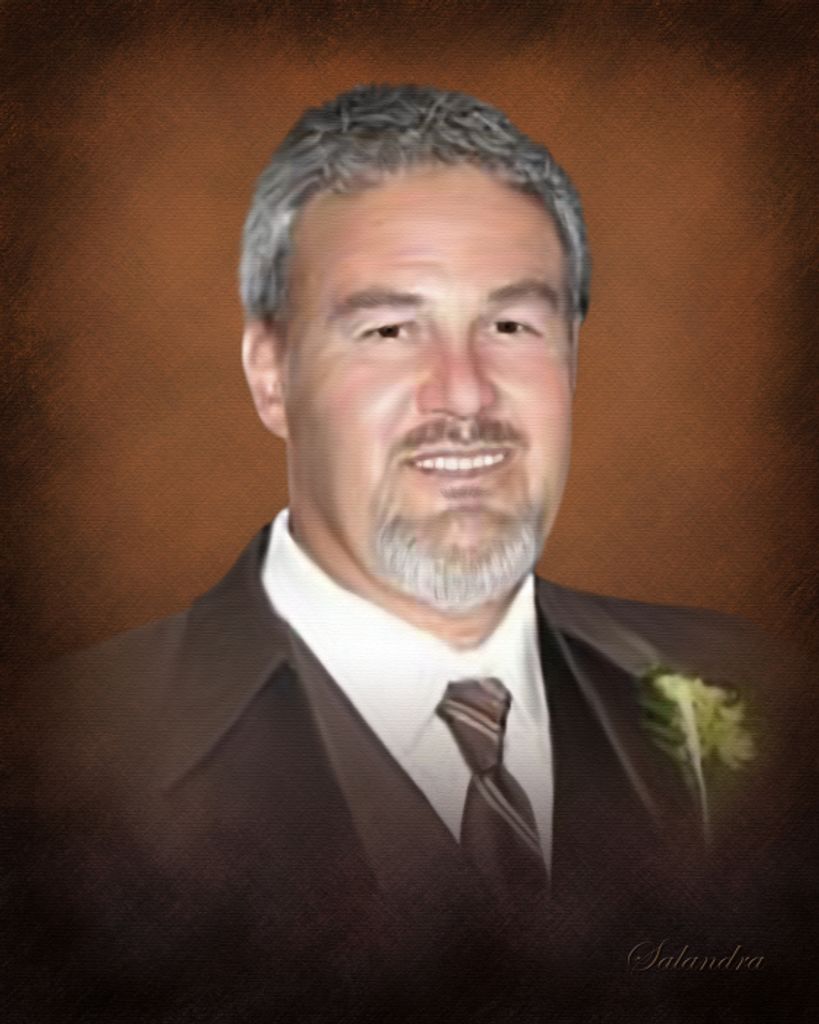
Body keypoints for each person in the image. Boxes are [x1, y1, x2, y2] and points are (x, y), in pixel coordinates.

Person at [16, 84, 798, 1021]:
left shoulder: (759, 705)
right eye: (389, 330)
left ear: (572, 354)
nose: (463, 393)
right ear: (270, 374)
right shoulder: (62, 765)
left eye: (510, 325)